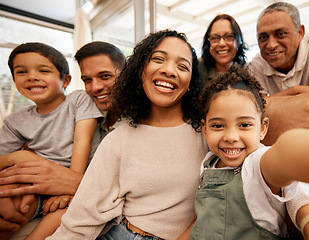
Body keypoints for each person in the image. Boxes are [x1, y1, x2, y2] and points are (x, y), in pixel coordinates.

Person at [46, 29, 208, 240]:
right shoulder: (118, 139)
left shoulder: (208, 133)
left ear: (190, 83)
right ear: (141, 70)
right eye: (158, 59)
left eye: (182, 66)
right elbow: (81, 220)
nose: (169, 70)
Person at [188, 65, 309, 240]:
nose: (231, 137)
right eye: (218, 126)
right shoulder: (208, 162)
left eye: (245, 125)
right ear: (205, 130)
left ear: (263, 129)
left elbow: (284, 158)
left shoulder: (257, 162)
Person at [0, 41, 126, 239]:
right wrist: (22, 157)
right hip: (36, 186)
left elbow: (82, 144)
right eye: (22, 72)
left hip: (74, 192)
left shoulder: (79, 102)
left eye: (105, 76)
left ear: (65, 81)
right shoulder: (16, 121)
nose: (32, 77)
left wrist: (69, 188)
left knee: (66, 213)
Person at [248, 2, 309, 102]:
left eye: (281, 34)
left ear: (300, 33)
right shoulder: (257, 63)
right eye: (263, 37)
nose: (271, 45)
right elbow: (255, 108)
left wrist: (269, 101)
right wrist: (294, 91)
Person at [74, 41, 126, 139]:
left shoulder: (144, 121)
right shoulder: (89, 117)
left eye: (105, 76)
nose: (95, 87)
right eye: (87, 80)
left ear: (125, 74)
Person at [199, 14, 247, 82]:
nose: (222, 44)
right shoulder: (198, 69)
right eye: (214, 38)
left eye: (229, 36)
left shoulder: (247, 71)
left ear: (239, 41)